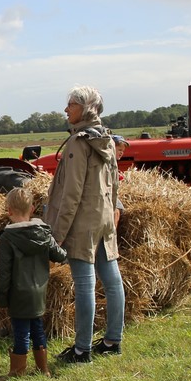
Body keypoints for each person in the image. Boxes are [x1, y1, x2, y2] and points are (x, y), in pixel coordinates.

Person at [43, 85, 124, 363]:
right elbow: (114, 185)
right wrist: (112, 212)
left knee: (85, 284)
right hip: (103, 217)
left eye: (72, 105)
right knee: (111, 280)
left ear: (86, 108)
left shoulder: (79, 143)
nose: (66, 109)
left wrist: (58, 233)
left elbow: (71, 193)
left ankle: (81, 350)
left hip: (82, 222)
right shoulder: (107, 138)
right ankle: (112, 341)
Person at [0, 186, 67, 377]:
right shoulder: (43, 233)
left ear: (9, 210)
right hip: (39, 291)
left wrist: (1, 297)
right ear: (33, 209)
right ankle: (43, 368)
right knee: (37, 329)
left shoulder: (7, 238)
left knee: (21, 332)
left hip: (18, 293)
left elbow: (3, 272)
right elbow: (60, 256)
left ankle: (17, 371)